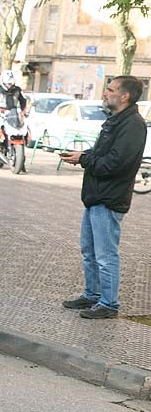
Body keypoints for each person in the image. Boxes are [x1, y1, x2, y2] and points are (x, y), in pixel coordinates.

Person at [59, 76, 146, 319]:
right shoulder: (116, 121)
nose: (105, 93)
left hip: (109, 199)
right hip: (96, 196)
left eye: (110, 89)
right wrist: (82, 154)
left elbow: (116, 163)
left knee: (106, 255)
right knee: (89, 250)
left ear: (124, 96)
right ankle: (93, 295)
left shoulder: (133, 125)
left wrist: (84, 160)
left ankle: (109, 304)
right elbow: (103, 154)